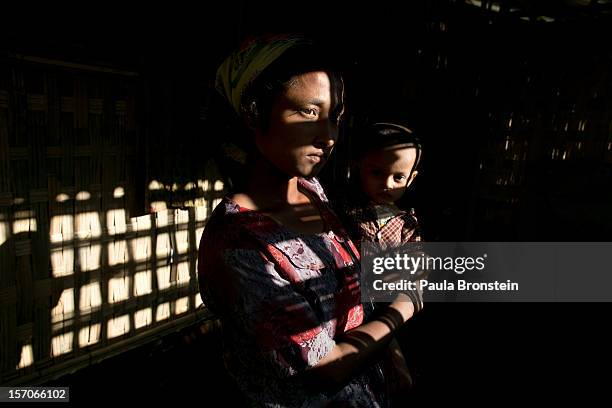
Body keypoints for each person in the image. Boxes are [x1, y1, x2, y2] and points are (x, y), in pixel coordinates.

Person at [197, 34, 422, 407]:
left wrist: (391, 355)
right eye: (309, 112)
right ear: (254, 112)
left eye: (334, 118)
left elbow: (352, 297)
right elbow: (324, 365)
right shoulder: (238, 243)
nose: (328, 136)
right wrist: (404, 307)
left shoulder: (311, 192)